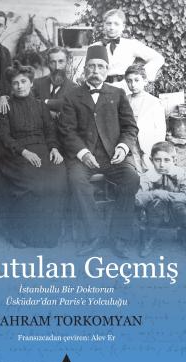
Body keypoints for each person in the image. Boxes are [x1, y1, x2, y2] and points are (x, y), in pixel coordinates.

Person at [58, 45, 140, 258]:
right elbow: (67, 131)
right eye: (92, 66)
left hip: (113, 156)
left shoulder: (118, 94)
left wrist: (123, 147)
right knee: (76, 180)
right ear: (85, 69)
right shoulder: (72, 96)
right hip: (83, 157)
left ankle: (118, 236)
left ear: (107, 70)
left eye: (101, 66)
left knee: (131, 179)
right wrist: (83, 153)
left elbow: (130, 127)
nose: (96, 70)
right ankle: (95, 235)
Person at [0, 61, 67, 248]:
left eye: (23, 82)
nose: (20, 86)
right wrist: (24, 152)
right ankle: (18, 233)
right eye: (15, 83)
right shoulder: (5, 107)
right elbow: (5, 137)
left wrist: (54, 148)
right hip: (15, 153)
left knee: (58, 179)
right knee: (33, 183)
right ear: (11, 86)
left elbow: (49, 131)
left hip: (42, 149)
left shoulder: (40, 106)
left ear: (31, 83)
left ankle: (48, 234)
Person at [135, 141, 186, 259]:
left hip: (177, 212)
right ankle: (148, 239)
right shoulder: (147, 176)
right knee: (156, 205)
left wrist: (167, 195)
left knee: (180, 207)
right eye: (157, 160)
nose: (162, 165)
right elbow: (137, 199)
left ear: (174, 160)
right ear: (151, 160)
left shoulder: (181, 174)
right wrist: (156, 193)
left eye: (167, 160)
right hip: (154, 214)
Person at [92, 9, 164, 92]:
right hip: (102, 88)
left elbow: (158, 58)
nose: (112, 27)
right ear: (104, 25)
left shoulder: (131, 45)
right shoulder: (95, 47)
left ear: (123, 26)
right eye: (109, 23)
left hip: (125, 88)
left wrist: (142, 75)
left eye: (116, 24)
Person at [125, 64, 166, 173]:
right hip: (131, 141)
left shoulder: (154, 102)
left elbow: (160, 128)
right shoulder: (125, 100)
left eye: (136, 80)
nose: (133, 84)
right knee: (135, 166)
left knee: (149, 166)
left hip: (148, 141)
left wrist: (158, 147)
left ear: (145, 81)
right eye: (129, 81)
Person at [32, 47, 77, 119]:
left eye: (61, 62)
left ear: (67, 63)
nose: (57, 67)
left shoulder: (74, 89)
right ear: (48, 63)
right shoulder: (36, 84)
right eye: (53, 62)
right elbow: (28, 105)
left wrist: (45, 102)